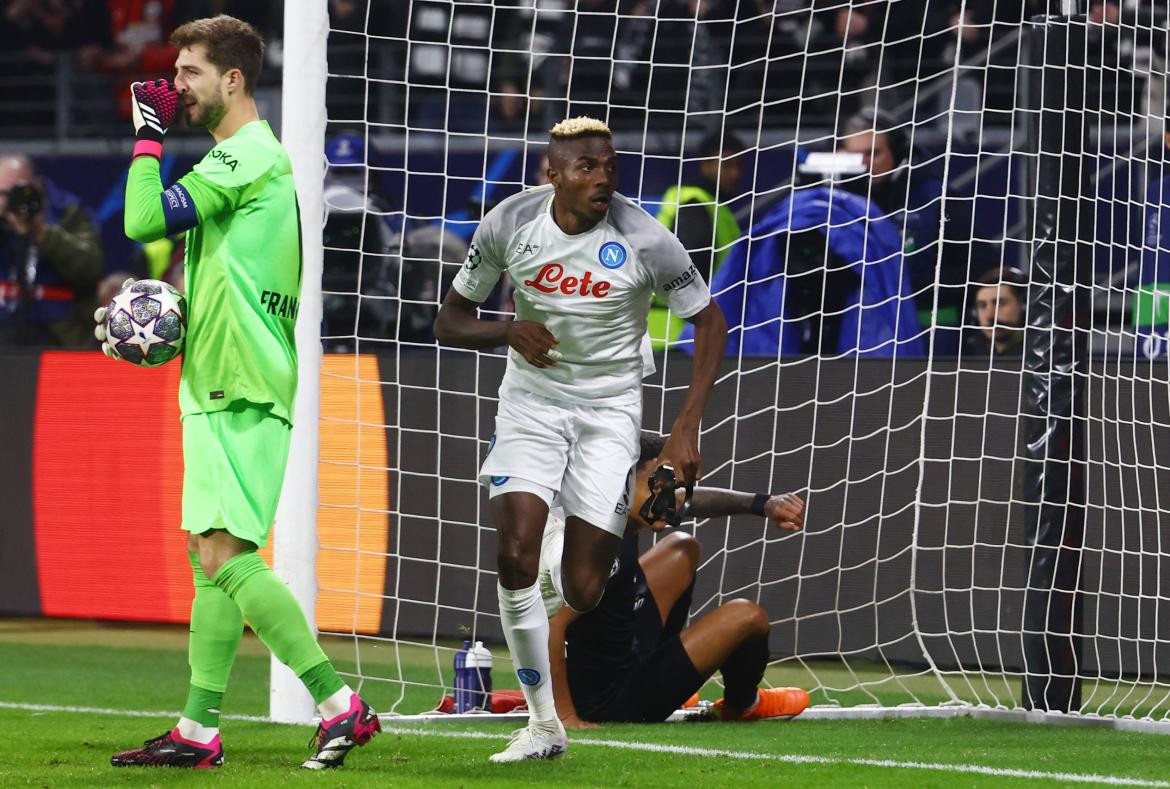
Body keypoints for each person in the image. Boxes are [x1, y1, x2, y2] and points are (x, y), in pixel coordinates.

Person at [94, 15, 379, 770]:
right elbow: (236, 284)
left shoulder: (248, 156)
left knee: (226, 552)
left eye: (189, 73)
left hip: (239, 381)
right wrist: (156, 332)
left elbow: (141, 217)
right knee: (209, 553)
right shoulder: (247, 161)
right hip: (227, 371)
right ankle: (196, 728)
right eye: (174, 73)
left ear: (233, 80)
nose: (176, 85)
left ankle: (337, 701)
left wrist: (148, 136)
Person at [433, 116, 728, 761]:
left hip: (610, 409)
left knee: (586, 588)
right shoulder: (509, 224)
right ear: (553, 174)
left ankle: (546, 595)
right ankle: (542, 725)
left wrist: (684, 426)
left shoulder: (648, 239)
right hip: (531, 404)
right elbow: (450, 319)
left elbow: (709, 321)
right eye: (587, 167)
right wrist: (508, 331)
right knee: (514, 552)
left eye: (610, 166)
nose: (602, 178)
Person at [542, 433, 809, 726]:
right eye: (658, 487)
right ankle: (742, 704)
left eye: (670, 488)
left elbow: (690, 503)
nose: (668, 499)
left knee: (682, 548)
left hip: (623, 655)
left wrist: (763, 504)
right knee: (749, 616)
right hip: (612, 702)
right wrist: (565, 716)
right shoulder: (601, 547)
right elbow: (551, 625)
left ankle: (665, 676)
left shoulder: (610, 512)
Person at [651, 130, 745, 348]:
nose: (735, 174)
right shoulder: (694, 204)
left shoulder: (712, 207)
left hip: (681, 331)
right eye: (727, 165)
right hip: (677, 335)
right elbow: (688, 271)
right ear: (706, 164)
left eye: (739, 166)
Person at [0, 153, 104, 347]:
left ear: (37, 185)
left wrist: (42, 232)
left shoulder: (67, 212)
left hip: (62, 336)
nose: (11, 202)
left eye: (18, 192)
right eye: (3, 194)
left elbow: (90, 267)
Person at [967, 268, 1026, 357]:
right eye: (982, 306)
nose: (989, 315)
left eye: (999, 303)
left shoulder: (1043, 353)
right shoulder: (967, 352)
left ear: (1024, 306)